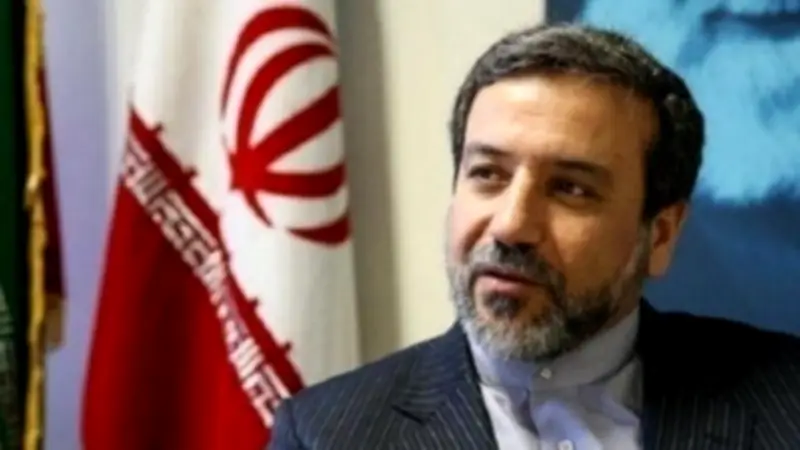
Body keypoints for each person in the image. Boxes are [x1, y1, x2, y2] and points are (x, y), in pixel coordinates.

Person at [268, 23, 800, 450]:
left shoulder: (786, 402)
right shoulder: (326, 435)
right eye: (488, 175)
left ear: (659, 235)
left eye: (571, 188)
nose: (510, 225)